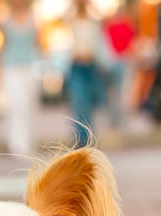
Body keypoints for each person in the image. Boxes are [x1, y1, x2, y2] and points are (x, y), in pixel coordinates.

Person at [0, 0, 41, 155]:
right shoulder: (6, 21)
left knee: (29, 105)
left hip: (30, 66)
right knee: (16, 105)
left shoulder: (33, 19)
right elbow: (3, 46)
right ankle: (16, 144)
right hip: (11, 68)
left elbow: (38, 44)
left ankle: (27, 142)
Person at [66, 0, 105, 146]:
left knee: (89, 104)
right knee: (78, 103)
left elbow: (102, 21)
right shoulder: (72, 20)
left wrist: (91, 6)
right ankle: (80, 140)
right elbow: (64, 18)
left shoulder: (94, 22)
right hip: (76, 65)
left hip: (91, 65)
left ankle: (89, 139)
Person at [102, 3, 136, 129]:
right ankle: (119, 117)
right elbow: (132, 43)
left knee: (114, 91)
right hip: (122, 60)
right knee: (121, 90)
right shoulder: (127, 25)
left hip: (114, 60)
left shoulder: (110, 26)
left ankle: (115, 117)